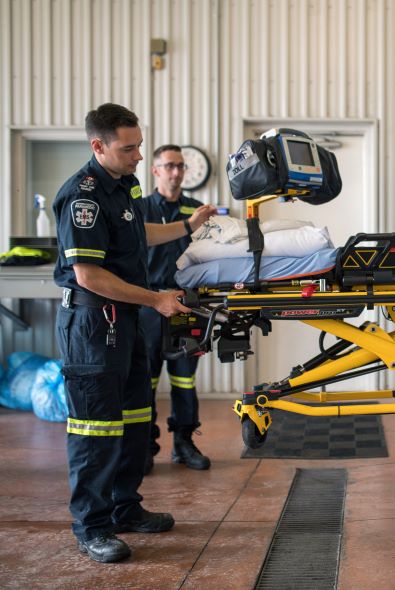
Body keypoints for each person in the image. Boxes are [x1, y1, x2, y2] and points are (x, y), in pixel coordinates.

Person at [53, 103, 216, 563]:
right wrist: (155, 300)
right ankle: (92, 527)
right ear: (98, 146)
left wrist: (186, 227)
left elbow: (136, 233)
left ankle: (125, 507)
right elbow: (89, 275)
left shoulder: (122, 186)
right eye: (130, 148)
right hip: (92, 325)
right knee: (95, 429)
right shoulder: (83, 196)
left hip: (123, 322)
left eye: (141, 145)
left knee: (132, 420)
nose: (139, 156)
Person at [135, 145, 211, 474]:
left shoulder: (196, 210)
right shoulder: (138, 210)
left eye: (180, 166)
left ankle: (184, 443)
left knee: (183, 381)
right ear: (155, 171)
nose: (176, 172)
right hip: (148, 305)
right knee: (145, 382)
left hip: (186, 304)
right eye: (169, 166)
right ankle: (144, 447)